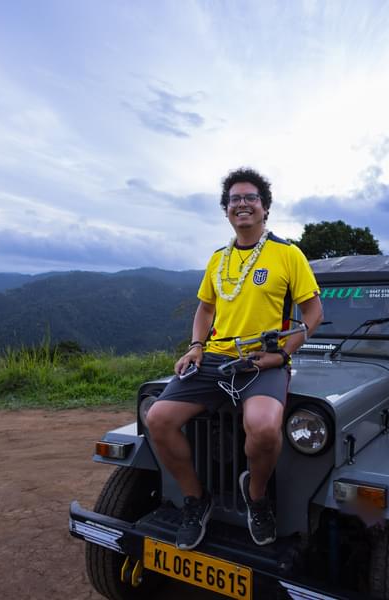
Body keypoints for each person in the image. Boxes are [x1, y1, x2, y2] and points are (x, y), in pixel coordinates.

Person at [145, 167, 323, 550]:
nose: (242, 204)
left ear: (265, 208)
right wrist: (195, 346)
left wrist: (282, 357)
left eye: (251, 198)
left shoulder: (288, 254)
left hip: (261, 362)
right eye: (234, 199)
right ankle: (196, 499)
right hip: (214, 359)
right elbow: (205, 310)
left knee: (262, 428)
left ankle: (256, 497)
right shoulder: (217, 259)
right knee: (157, 419)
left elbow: (313, 315)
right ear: (226, 210)